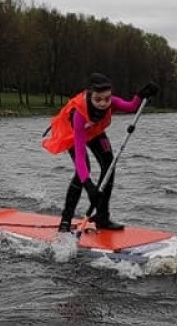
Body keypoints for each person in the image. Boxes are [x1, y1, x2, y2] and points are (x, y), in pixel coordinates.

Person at [42, 72, 159, 231]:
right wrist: (89, 186)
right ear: (90, 96)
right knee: (83, 171)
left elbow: (131, 106)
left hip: (95, 131)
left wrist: (142, 94)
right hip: (73, 134)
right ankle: (65, 220)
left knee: (109, 165)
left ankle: (102, 217)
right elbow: (80, 158)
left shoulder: (111, 102)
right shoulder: (79, 115)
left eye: (107, 99)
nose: (103, 103)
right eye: (98, 100)